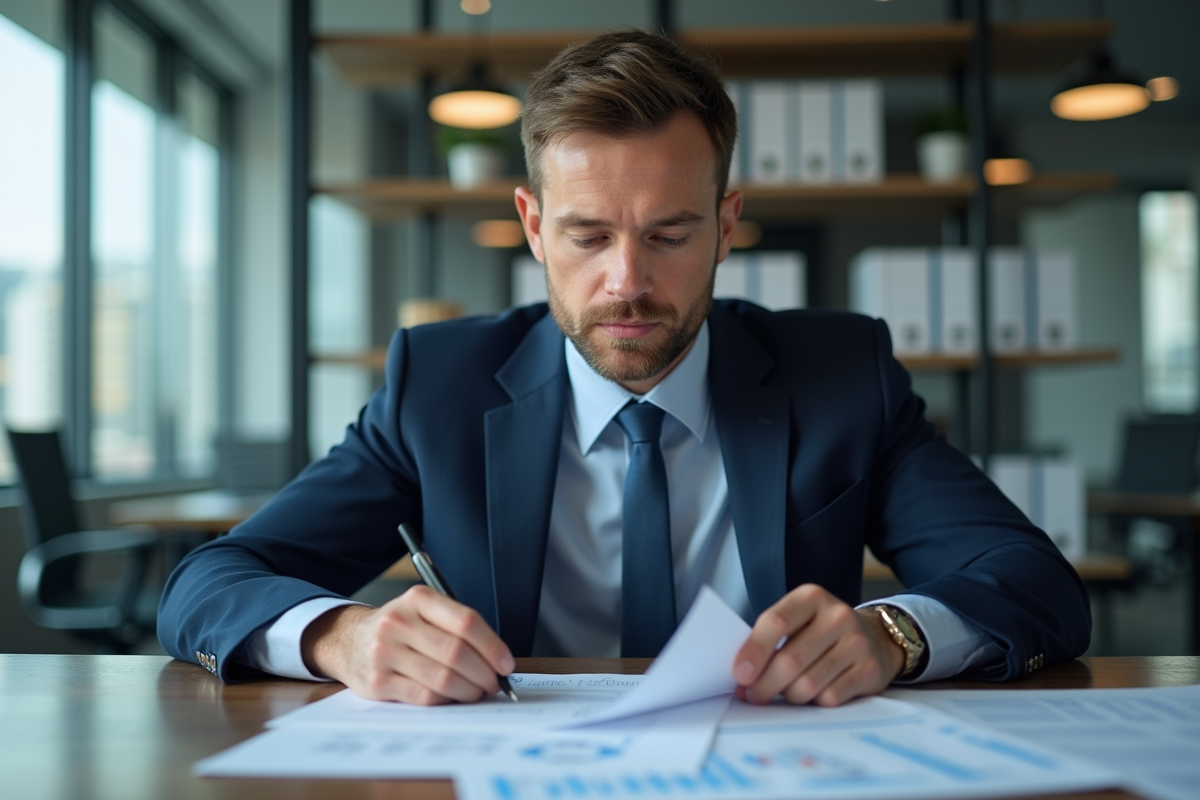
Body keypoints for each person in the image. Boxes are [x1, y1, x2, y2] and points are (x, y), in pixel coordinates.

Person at [158, 31, 1090, 708]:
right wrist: (343, 635)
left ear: (726, 225)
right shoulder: (436, 385)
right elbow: (211, 582)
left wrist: (894, 634)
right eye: (587, 235)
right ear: (532, 226)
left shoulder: (843, 374)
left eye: (670, 234)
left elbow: (1031, 579)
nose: (628, 282)